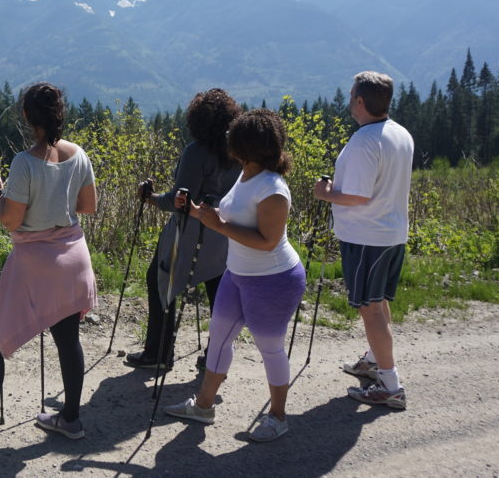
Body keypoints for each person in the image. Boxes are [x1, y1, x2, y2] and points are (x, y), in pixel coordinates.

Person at [0, 82, 97, 453]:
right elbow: (88, 206)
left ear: (26, 116)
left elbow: (11, 220)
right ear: (61, 113)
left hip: (35, 262)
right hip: (73, 256)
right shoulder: (79, 155)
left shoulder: (25, 162)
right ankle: (70, 419)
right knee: (67, 339)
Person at [163, 109, 306, 442]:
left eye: (233, 136)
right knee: (220, 336)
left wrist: (218, 225)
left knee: (270, 347)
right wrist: (200, 213)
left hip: (273, 279)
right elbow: (230, 217)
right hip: (238, 274)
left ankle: (278, 417)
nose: (227, 139)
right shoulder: (247, 174)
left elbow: (268, 241)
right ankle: (203, 406)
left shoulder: (273, 189)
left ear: (246, 146)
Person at [313, 71, 413, 410]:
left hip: (365, 236)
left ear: (360, 100)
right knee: (380, 301)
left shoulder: (364, 141)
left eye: (351, 96)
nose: (349, 102)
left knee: (370, 309)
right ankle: (374, 361)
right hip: (391, 232)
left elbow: (356, 196)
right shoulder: (401, 134)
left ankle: (390, 383)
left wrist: (325, 193)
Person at [124, 89, 242, 371]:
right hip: (224, 233)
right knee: (218, 291)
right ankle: (216, 355)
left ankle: (159, 353)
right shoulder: (237, 153)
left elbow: (179, 201)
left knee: (160, 281)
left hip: (190, 233)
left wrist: (148, 197)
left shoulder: (196, 153)